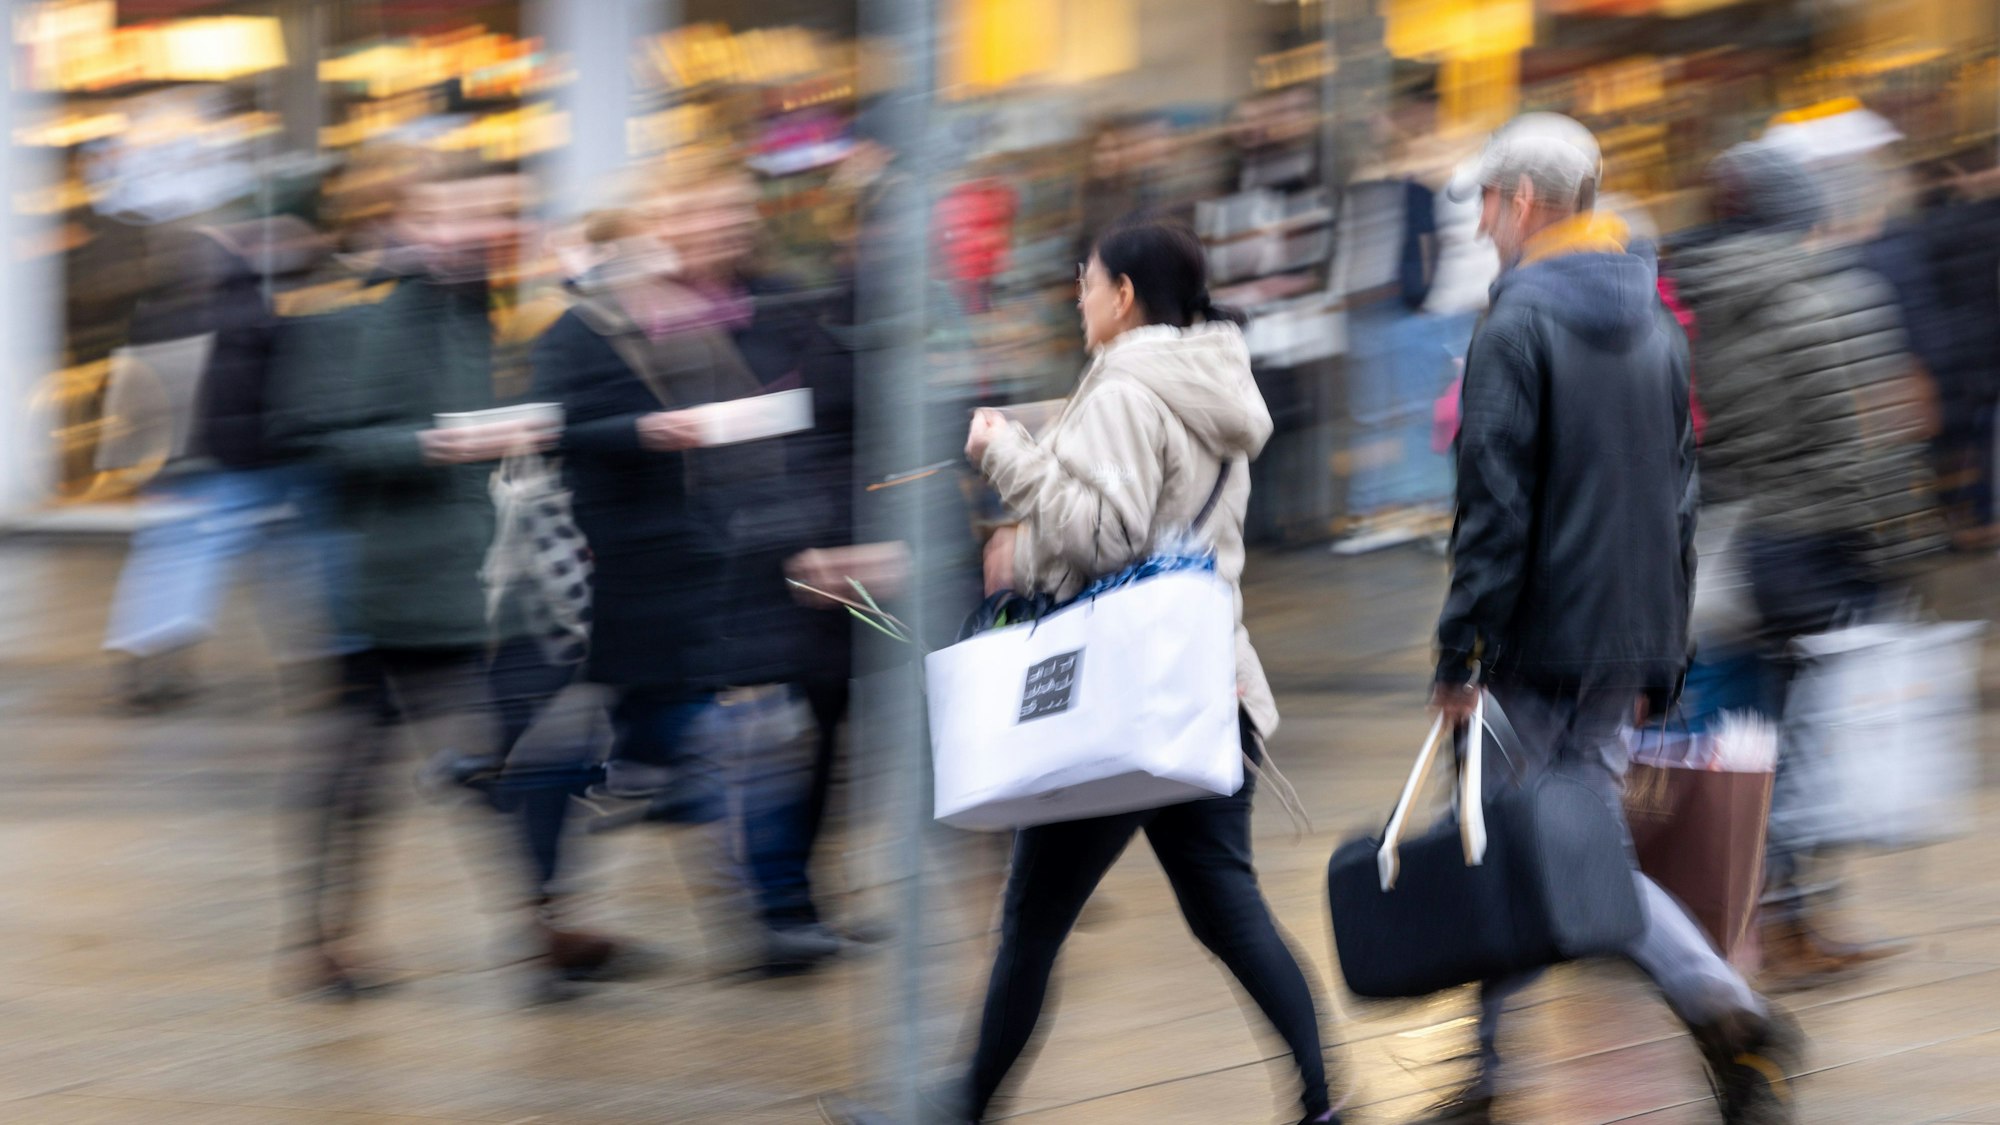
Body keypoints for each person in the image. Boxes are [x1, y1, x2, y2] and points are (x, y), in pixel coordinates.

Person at [827, 217, 1339, 1125]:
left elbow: (1108, 536)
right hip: (1204, 682)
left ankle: (956, 1110)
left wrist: (1006, 468)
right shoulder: (1208, 381)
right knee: (1226, 909)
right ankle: (1322, 1101)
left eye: (1088, 280)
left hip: (1119, 694)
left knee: (1033, 919)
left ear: (1125, 295)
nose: (1079, 295)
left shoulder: (1126, 388)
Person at [1426, 114, 1799, 1124]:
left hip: (1529, 640)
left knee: (1514, 844)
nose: (1480, 227)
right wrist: (1661, 647)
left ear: (1522, 202)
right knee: (1554, 844)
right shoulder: (1653, 320)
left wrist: (1462, 649)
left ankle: (1705, 1012)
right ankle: (1509, 1065)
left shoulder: (1513, 325)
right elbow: (1679, 498)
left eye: (1486, 205)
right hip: (1621, 636)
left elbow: (1494, 509)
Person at [275, 163, 638, 998]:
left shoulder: (499, 309)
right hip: (386, 578)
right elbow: (319, 439)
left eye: (493, 211)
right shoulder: (350, 314)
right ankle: (331, 938)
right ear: (404, 219)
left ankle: (540, 922)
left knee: (509, 746)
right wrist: (435, 444)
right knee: (366, 759)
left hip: (486, 571)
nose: (478, 228)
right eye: (453, 213)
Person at [1669, 141, 1943, 988]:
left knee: (1744, 735)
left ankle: (1749, 920)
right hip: (1817, 547)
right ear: (1802, 212)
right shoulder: (1835, 293)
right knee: (1816, 739)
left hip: (1729, 543)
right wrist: (1899, 552)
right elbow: (1866, 443)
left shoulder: (1688, 299)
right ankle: (1793, 926)